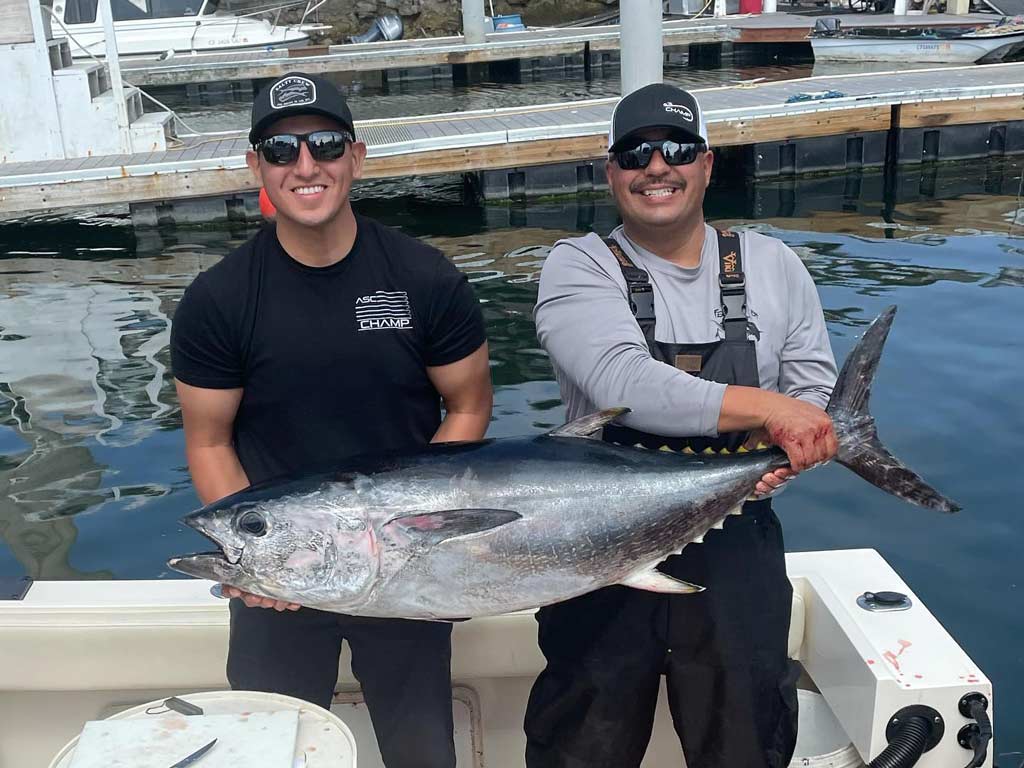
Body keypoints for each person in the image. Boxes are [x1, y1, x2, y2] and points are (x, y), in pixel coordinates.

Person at [170, 72, 492, 768]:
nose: (305, 165)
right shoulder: (217, 300)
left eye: (323, 144)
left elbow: (468, 405)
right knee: (268, 755)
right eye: (281, 150)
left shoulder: (426, 279)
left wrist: (418, 530)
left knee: (423, 753)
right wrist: (261, 564)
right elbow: (209, 438)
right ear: (256, 166)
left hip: (409, 568)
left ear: (356, 156)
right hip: (279, 585)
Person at [524, 82, 840, 768]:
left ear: (706, 163)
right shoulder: (577, 265)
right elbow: (623, 383)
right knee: (582, 743)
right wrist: (770, 411)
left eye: (677, 148)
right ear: (611, 172)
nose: (656, 166)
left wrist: (778, 458)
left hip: (736, 544)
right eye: (635, 153)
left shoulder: (774, 265)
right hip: (594, 550)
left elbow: (812, 387)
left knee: (745, 742)